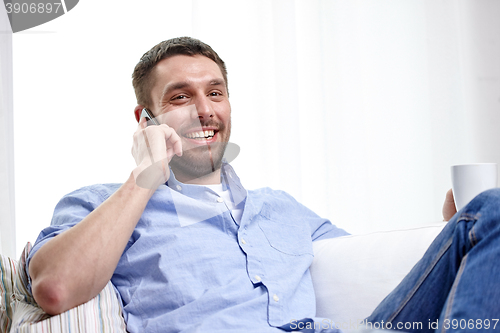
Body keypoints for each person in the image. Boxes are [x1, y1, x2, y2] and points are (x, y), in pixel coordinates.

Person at [26, 37, 500, 333]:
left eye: (215, 93)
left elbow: (387, 283)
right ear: (144, 118)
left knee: (488, 213)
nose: (205, 110)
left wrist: (449, 240)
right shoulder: (102, 204)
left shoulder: (280, 209)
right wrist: (145, 177)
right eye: (180, 97)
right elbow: (55, 287)